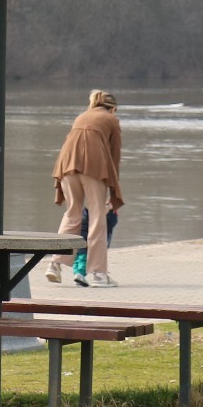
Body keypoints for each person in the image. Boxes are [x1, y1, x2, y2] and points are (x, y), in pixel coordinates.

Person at [47, 90, 124, 287]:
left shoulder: (81, 116)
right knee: (98, 217)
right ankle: (99, 274)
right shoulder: (111, 119)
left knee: (72, 214)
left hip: (66, 167)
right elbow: (114, 155)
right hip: (94, 168)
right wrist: (114, 188)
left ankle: (54, 264)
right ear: (113, 108)